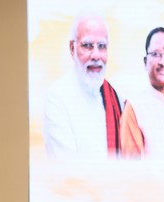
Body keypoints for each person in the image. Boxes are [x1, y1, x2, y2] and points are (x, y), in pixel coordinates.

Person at [43, 13, 122, 158]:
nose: (96, 55)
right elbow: (66, 166)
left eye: (102, 46)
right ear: (72, 48)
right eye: (87, 46)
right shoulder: (57, 97)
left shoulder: (116, 99)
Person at [119, 27, 164, 158]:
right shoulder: (135, 108)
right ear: (145, 62)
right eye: (156, 54)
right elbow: (131, 165)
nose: (163, 62)